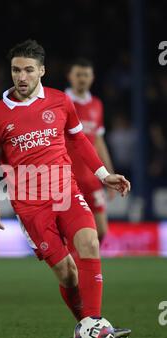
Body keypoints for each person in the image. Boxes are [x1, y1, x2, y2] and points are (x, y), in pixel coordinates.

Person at [0, 39, 131, 338]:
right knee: (68, 274)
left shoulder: (60, 101)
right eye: (16, 70)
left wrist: (103, 174)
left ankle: (94, 325)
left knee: (90, 242)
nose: (21, 77)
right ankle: (87, 323)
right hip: (31, 207)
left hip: (66, 192)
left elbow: (78, 140)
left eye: (28, 70)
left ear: (42, 71)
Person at [65, 58, 115, 243]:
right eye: (78, 74)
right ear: (70, 76)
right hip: (68, 178)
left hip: (92, 178)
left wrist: (109, 174)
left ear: (92, 77)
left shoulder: (97, 104)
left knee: (101, 231)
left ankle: (83, 266)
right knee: (71, 232)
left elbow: (98, 142)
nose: (82, 79)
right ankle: (75, 269)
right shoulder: (61, 102)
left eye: (86, 75)